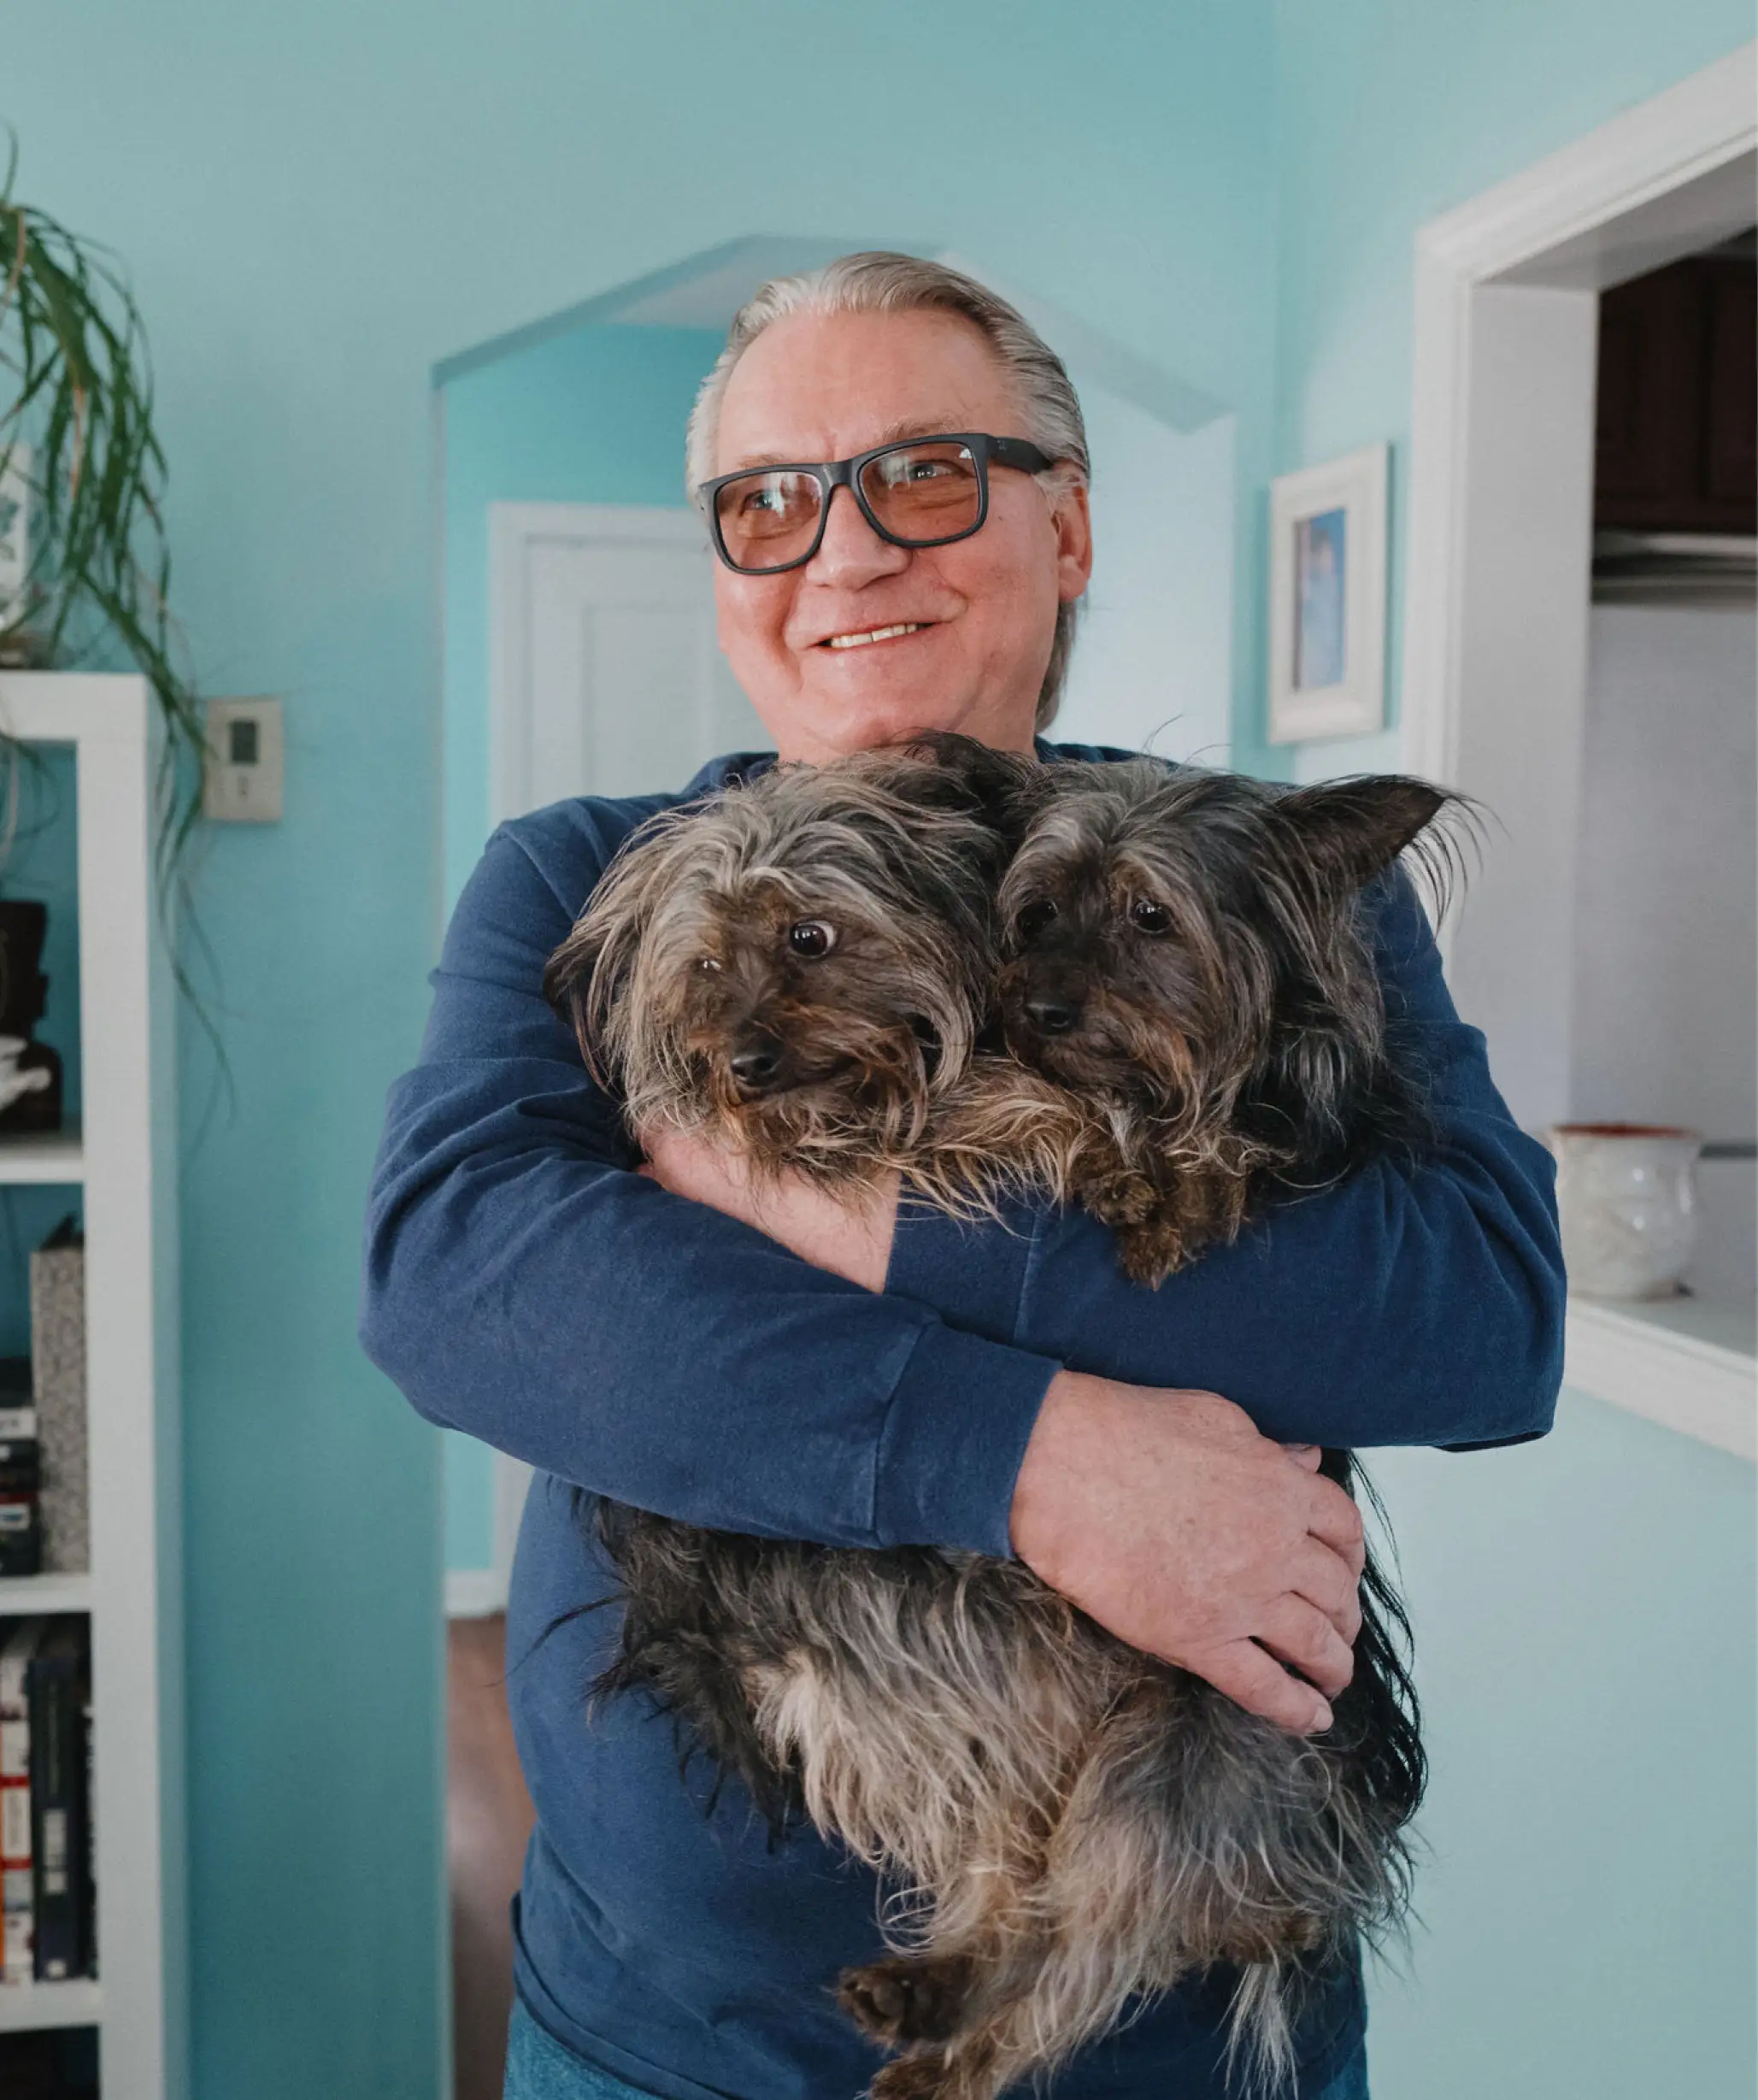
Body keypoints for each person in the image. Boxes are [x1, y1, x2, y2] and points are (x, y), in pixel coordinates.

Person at [362, 254, 1564, 2100]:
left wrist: (836, 1211)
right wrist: (1035, 1461)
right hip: (661, 2045)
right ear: (722, 575)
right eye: (768, 504)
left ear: (1066, 527)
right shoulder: (578, 879)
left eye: (924, 474)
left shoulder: (1243, 877)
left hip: (1174, 2039)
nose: (843, 556)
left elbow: (1474, 1318)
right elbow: (464, 1277)